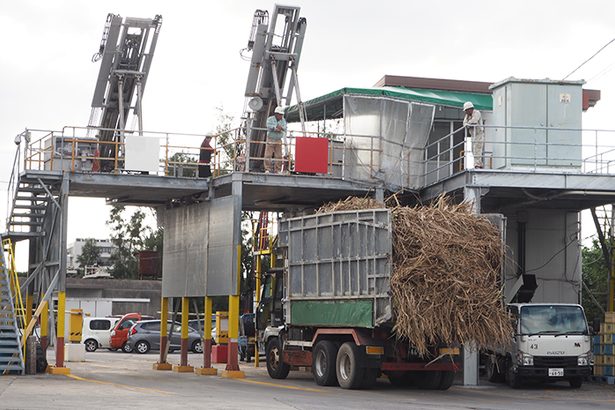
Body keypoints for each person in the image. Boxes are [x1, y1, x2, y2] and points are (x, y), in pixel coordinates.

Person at [264, 106, 287, 173]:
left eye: (282, 115)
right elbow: (268, 126)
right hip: (271, 138)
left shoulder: (283, 120)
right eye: (280, 114)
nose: (281, 116)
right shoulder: (270, 119)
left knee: (279, 155)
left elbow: (285, 128)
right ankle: (267, 169)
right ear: (276, 114)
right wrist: (275, 128)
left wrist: (279, 128)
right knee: (268, 154)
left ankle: (278, 170)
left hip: (278, 139)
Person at [463, 101, 485, 168]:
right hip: (473, 135)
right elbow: (464, 123)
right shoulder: (467, 116)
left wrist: (468, 124)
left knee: (477, 149)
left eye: (466, 110)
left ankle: (477, 164)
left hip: (479, 134)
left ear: (470, 109)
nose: (466, 112)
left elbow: (474, 121)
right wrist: (468, 124)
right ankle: (479, 164)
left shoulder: (477, 113)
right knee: (473, 150)